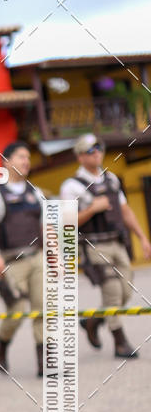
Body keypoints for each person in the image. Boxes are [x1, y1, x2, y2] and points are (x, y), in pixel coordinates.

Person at [60, 133, 151, 358]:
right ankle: (120, 342)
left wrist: (142, 237)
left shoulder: (111, 179)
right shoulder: (71, 186)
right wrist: (92, 209)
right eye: (90, 150)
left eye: (98, 148)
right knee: (111, 291)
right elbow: (67, 221)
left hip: (117, 242)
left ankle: (93, 321)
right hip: (94, 246)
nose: (97, 153)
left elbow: (125, 210)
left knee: (125, 292)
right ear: (80, 156)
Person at [0, 142, 45, 377]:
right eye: (21, 156)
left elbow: (47, 228)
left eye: (28, 157)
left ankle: (45, 362)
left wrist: (56, 258)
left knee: (43, 308)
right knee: (18, 310)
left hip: (38, 258)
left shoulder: (36, 192)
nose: (26, 161)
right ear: (6, 161)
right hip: (11, 261)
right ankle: (1, 343)